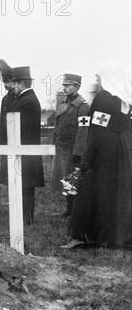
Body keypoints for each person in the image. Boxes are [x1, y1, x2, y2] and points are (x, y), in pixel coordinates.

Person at [62, 62, 132, 249]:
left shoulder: (103, 99)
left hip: (103, 152)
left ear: (108, 80)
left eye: (100, 79)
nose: (98, 83)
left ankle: (81, 236)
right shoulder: (124, 101)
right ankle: (111, 237)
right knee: (114, 194)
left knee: (88, 191)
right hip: (121, 153)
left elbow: (97, 132)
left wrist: (86, 161)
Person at [0, 66, 44, 225]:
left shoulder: (26, 101)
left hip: (25, 150)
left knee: (26, 185)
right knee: (24, 184)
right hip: (24, 150)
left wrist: (3, 137)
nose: (13, 87)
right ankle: (25, 216)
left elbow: (13, 123)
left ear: (22, 84)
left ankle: (26, 218)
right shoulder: (26, 99)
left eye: (15, 83)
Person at [50, 74, 89, 217]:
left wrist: (78, 152)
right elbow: (57, 126)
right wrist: (52, 144)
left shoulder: (83, 106)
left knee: (73, 179)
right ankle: (69, 208)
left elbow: (83, 131)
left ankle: (75, 210)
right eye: (64, 85)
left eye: (68, 85)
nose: (64, 87)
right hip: (62, 147)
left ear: (77, 87)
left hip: (73, 149)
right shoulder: (63, 103)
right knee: (65, 178)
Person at [0, 59, 17, 187]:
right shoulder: (5, 99)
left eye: (8, 82)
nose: (6, 85)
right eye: (4, 82)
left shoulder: (19, 97)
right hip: (6, 138)